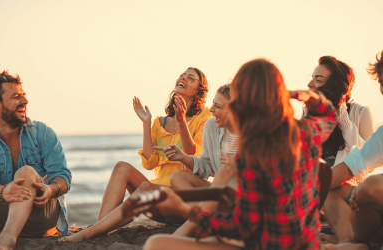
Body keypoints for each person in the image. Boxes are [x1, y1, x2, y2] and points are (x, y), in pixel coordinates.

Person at [142, 58, 338, 250]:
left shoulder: (252, 152)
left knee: (155, 244)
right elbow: (326, 109)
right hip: (303, 241)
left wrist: (185, 211)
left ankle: (183, 232)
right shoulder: (306, 131)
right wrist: (293, 94)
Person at [59, 67, 211, 242]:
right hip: (159, 201)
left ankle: (89, 233)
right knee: (122, 167)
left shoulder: (204, 119)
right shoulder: (159, 123)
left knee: (145, 189)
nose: (183, 78)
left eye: (191, 78)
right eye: (181, 75)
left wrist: (181, 121)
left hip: (182, 201)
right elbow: (149, 163)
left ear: (199, 91)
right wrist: (146, 123)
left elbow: (193, 158)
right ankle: (99, 228)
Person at [0, 71, 72, 250]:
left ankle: (8, 238)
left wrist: (50, 188)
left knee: (26, 172)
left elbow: (63, 177)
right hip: (0, 212)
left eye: (23, 96)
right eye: (16, 97)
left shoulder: (43, 133)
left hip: (40, 214)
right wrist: (3, 191)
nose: (25, 102)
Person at [319, 50, 383, 249]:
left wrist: (344, 121)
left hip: (365, 190)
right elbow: (348, 167)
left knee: (369, 187)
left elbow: (364, 163)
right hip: (351, 203)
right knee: (331, 186)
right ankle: (348, 242)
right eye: (381, 83)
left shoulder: (359, 113)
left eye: (319, 79)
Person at [156, 84, 238, 231]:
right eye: (213, 103)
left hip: (245, 197)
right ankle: (212, 216)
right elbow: (207, 167)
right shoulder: (212, 126)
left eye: (217, 106)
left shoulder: (255, 134)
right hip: (219, 194)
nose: (211, 109)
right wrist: (182, 157)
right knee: (178, 177)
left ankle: (206, 218)